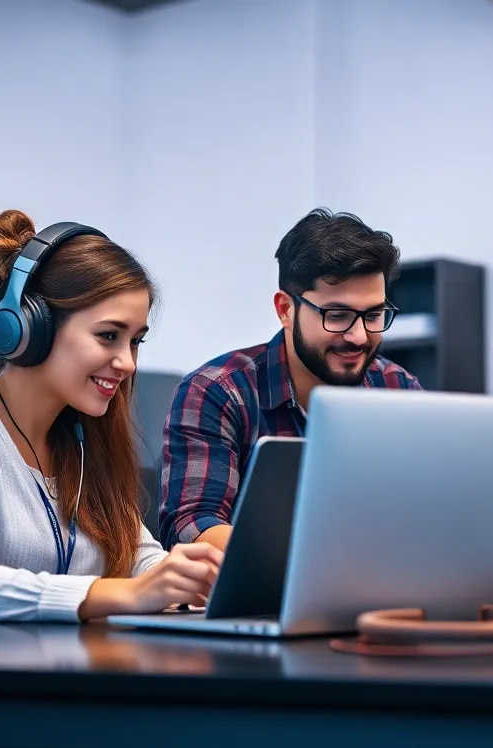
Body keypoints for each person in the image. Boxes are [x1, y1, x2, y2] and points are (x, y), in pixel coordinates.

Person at [0, 210, 222, 624]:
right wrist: (129, 593)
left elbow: (138, 560)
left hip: (45, 675)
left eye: (135, 341)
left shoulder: (83, 440)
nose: (127, 362)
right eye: (108, 335)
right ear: (29, 327)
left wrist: (185, 578)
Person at [156, 208, 421, 551]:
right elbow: (191, 523)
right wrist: (309, 561)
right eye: (337, 316)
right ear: (285, 309)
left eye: (373, 315)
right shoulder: (218, 391)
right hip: (262, 598)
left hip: (382, 592)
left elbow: (427, 512)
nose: (358, 336)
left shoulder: (398, 389)